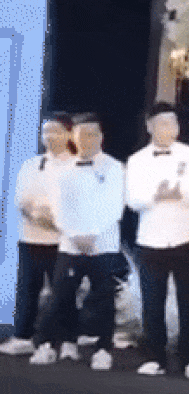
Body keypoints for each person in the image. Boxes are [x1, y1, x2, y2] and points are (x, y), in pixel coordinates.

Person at [29, 112, 125, 371]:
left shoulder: (114, 168)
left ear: (101, 137)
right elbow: (59, 208)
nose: (87, 139)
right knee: (59, 296)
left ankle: (103, 350)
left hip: (103, 246)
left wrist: (92, 233)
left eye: (93, 134)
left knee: (104, 299)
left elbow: (114, 207)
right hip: (70, 246)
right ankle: (47, 345)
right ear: (73, 136)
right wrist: (75, 234)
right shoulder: (65, 171)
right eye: (82, 134)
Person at [126, 102, 189, 379]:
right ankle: (155, 356)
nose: (169, 129)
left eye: (173, 123)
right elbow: (132, 199)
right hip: (151, 238)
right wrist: (156, 195)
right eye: (162, 123)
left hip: (186, 236)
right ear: (150, 126)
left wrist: (180, 193)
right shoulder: (137, 160)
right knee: (152, 301)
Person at [0, 113, 74, 356]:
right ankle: (23, 335)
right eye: (46, 132)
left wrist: (54, 219)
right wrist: (34, 214)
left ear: (69, 133)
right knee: (27, 288)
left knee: (63, 291)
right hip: (30, 237)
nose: (50, 136)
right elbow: (21, 198)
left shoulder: (76, 165)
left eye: (56, 131)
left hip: (62, 241)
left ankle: (66, 340)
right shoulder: (32, 164)